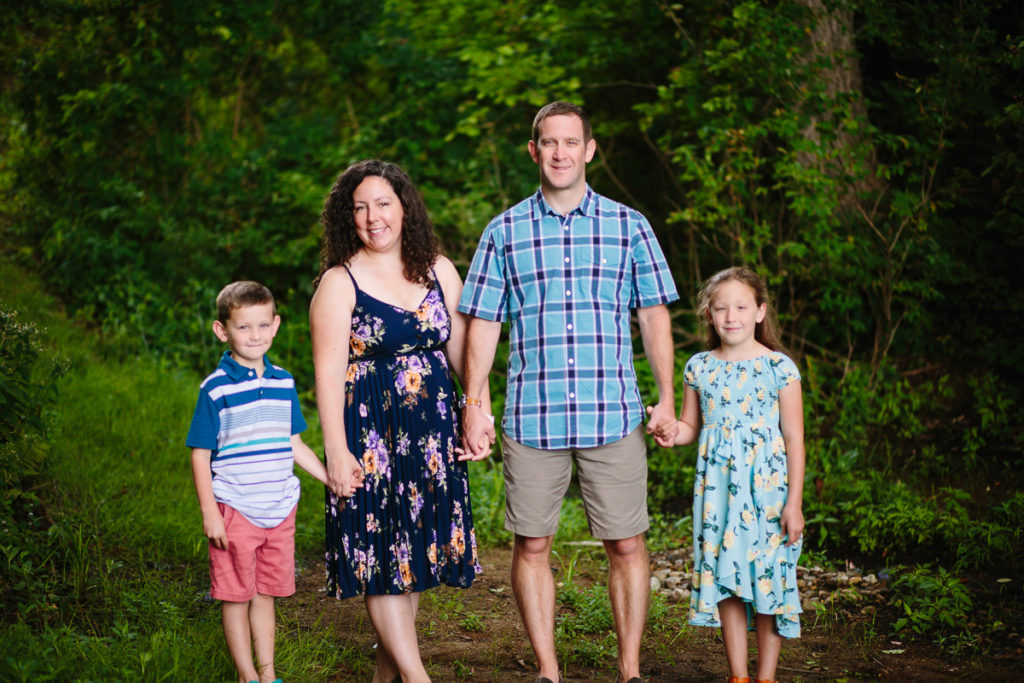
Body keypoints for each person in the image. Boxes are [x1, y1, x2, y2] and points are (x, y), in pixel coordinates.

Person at [458, 101, 679, 683]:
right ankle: (547, 672)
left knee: (627, 545)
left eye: (570, 142)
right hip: (534, 417)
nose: (559, 153)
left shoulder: (629, 226)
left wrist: (667, 397)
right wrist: (473, 404)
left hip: (615, 414)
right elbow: (483, 322)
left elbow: (654, 316)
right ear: (534, 151)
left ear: (589, 149)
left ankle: (629, 671)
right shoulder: (503, 231)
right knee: (532, 545)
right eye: (548, 143)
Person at [311, 159, 485, 683]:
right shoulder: (339, 283)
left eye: (382, 203)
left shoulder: (439, 269)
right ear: (349, 217)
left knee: (408, 564)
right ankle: (418, 678)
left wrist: (478, 412)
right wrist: (337, 451)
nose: (372, 216)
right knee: (384, 558)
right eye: (360, 207)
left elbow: (466, 356)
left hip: (430, 434)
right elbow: (326, 377)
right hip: (370, 436)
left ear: (404, 208)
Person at [650, 266, 806, 683]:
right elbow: (689, 428)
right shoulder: (699, 367)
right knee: (728, 579)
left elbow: (794, 439)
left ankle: (766, 677)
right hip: (718, 494)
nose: (730, 317)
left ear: (760, 311)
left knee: (769, 579)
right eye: (721, 309)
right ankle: (738, 676)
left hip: (769, 494)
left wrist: (794, 504)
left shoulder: (779, 368)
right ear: (709, 315)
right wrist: (669, 430)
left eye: (740, 307)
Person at [187, 280, 329, 683]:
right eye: (244, 327)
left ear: (276, 325)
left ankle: (268, 675)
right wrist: (210, 514)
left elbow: (293, 443)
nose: (255, 336)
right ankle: (246, 675)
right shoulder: (214, 389)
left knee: (266, 593)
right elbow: (200, 453)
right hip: (235, 509)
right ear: (223, 331)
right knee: (236, 596)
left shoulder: (284, 382)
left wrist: (328, 479)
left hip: (280, 508)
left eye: (263, 326)